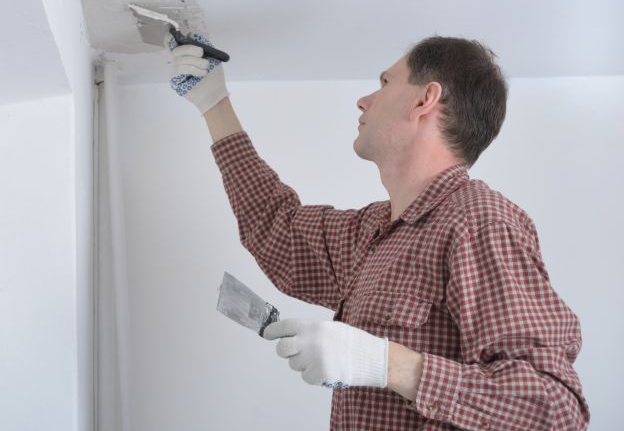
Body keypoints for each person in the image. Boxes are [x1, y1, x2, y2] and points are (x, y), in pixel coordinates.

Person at [165, 33, 589, 430]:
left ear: (426, 99)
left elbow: (557, 408)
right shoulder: (374, 232)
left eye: (384, 83)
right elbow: (278, 229)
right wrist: (213, 100)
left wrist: (386, 364)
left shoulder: (479, 222)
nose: (364, 100)